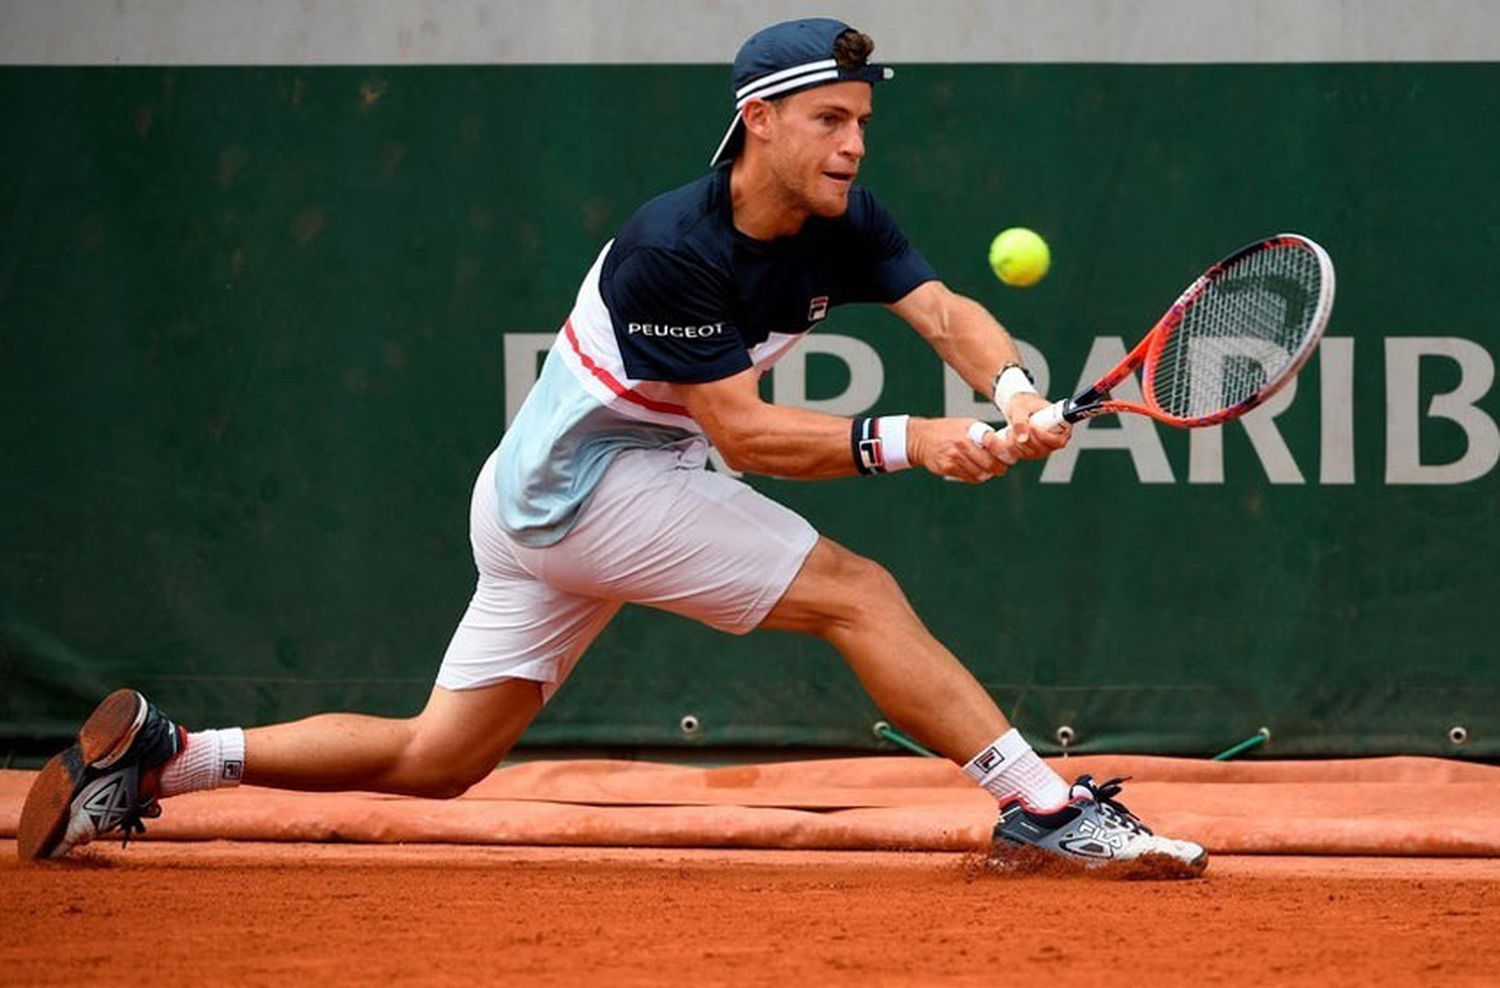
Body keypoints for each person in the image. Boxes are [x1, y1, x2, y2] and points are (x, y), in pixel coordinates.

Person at [19, 17, 1205, 872]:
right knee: (859, 592)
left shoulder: (843, 214)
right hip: (584, 495)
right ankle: (1045, 813)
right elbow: (742, 431)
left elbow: (943, 311)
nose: (854, 143)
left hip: (551, 496)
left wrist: (1008, 388)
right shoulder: (670, 250)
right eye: (830, 120)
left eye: (863, 122)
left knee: (443, 756)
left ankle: (170, 758)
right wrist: (918, 442)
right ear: (759, 122)